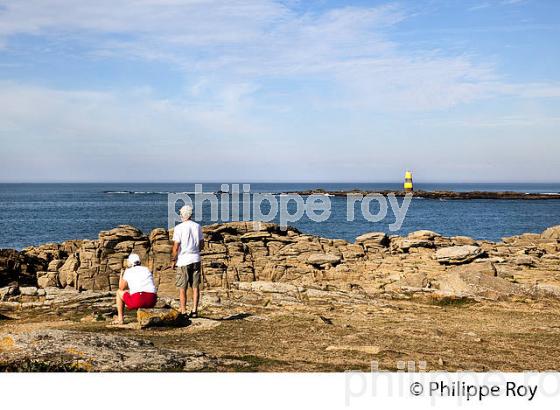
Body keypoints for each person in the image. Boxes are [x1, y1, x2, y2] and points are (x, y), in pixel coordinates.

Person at [171, 205, 204, 317]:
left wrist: (173, 260)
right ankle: (194, 310)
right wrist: (195, 251)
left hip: (183, 260)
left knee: (182, 287)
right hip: (195, 259)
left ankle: (184, 311)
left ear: (182, 215)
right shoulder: (197, 226)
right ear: (191, 215)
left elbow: (176, 247)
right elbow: (201, 244)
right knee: (195, 286)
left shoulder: (178, 228)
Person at [113, 253, 157, 324]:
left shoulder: (128, 271)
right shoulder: (146, 269)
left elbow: (121, 287)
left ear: (130, 262)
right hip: (152, 300)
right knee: (132, 292)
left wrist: (121, 275)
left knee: (119, 292)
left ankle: (120, 319)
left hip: (138, 300)